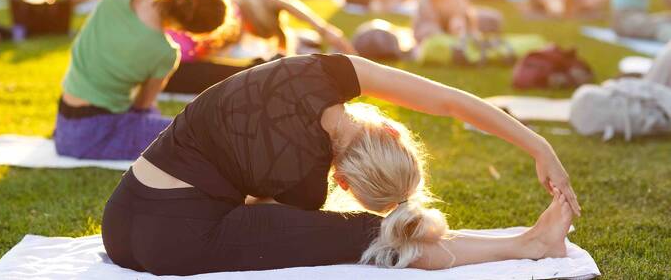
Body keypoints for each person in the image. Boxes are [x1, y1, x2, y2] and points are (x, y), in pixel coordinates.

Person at [102, 53, 580, 275]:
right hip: (176, 242)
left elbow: (448, 101)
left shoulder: (326, 70)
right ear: (343, 180)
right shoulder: (306, 185)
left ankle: (533, 241)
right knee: (382, 239)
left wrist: (540, 146)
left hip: (119, 220)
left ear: (391, 130)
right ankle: (531, 243)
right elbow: (259, 213)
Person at [53, 0, 313, 160]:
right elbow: (143, 107)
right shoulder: (165, 54)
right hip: (94, 134)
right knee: (200, 135)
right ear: (191, 31)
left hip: (64, 120)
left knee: (183, 127)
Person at [163, 0, 355, 94]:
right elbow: (285, 2)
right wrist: (324, 30)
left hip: (176, 67)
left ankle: (285, 70)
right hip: (165, 67)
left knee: (253, 72)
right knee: (248, 75)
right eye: (254, 30)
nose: (248, 32)